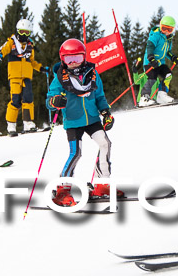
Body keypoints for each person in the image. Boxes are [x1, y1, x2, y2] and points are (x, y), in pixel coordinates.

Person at [46, 38, 123, 206]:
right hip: (73, 121)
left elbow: (100, 96)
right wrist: (55, 101)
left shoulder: (93, 75)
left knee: (105, 144)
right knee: (76, 153)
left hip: (92, 118)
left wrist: (106, 113)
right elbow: (50, 99)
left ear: (85, 57)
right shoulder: (60, 79)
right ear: (62, 59)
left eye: (78, 58)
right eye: (69, 59)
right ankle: (61, 190)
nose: (73, 63)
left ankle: (103, 184)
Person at [0, 19, 49, 136]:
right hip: (15, 76)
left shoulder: (30, 45)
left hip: (26, 76)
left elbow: (32, 61)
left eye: (27, 32)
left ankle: (28, 122)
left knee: (28, 99)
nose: (24, 35)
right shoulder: (12, 42)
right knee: (15, 100)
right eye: (22, 32)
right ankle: (11, 125)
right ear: (18, 31)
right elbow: (3, 50)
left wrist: (41, 68)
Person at [138, 15, 178, 107]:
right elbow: (150, 47)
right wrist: (151, 58)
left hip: (160, 63)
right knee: (152, 79)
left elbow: (167, 52)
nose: (166, 32)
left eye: (169, 30)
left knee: (168, 75)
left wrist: (173, 57)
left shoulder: (169, 40)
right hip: (150, 62)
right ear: (160, 26)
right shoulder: (156, 35)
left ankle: (161, 95)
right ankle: (144, 98)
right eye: (164, 28)